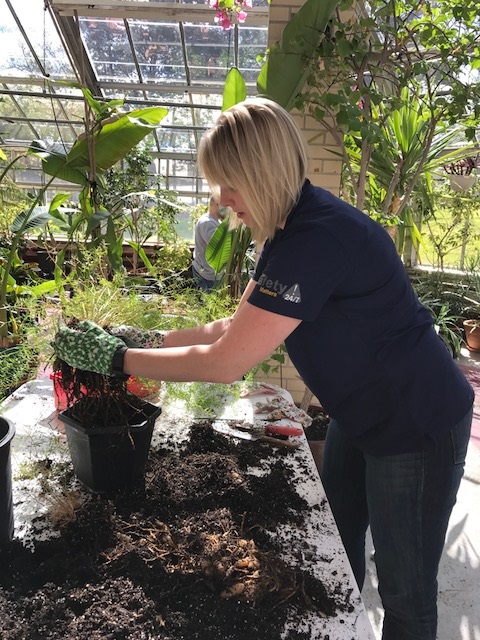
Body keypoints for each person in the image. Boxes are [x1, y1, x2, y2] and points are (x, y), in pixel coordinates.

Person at [54, 97, 474, 640]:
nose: (221, 200)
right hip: (358, 414)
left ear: (260, 172)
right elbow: (230, 328)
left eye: (229, 183)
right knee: (335, 546)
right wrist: (139, 339)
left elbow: (229, 362)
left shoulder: (318, 239)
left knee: (405, 590)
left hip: (414, 425)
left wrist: (117, 360)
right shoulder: (285, 232)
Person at [192, 196, 226, 290]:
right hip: (206, 275)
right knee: (208, 302)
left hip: (210, 273)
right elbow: (218, 248)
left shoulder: (216, 221)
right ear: (217, 204)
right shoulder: (207, 223)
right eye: (226, 205)